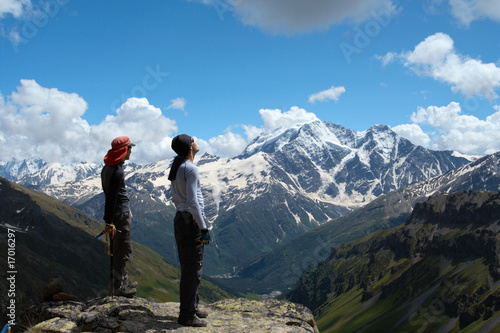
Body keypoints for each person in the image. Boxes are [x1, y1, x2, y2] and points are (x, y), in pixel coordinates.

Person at [168, 134, 211, 327]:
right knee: (193, 270)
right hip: (190, 220)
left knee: (188, 266)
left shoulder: (178, 166)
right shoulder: (191, 168)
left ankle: (192, 307)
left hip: (180, 219)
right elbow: (193, 201)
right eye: (194, 139)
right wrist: (203, 227)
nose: (196, 141)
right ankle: (186, 315)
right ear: (190, 146)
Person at [101, 136, 138, 298]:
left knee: (117, 250)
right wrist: (109, 221)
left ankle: (119, 282)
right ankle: (119, 287)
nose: (131, 151)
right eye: (129, 148)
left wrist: (108, 220)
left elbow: (108, 196)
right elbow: (113, 197)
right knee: (123, 248)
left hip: (114, 216)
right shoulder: (118, 171)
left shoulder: (107, 169)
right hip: (120, 215)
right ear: (124, 150)